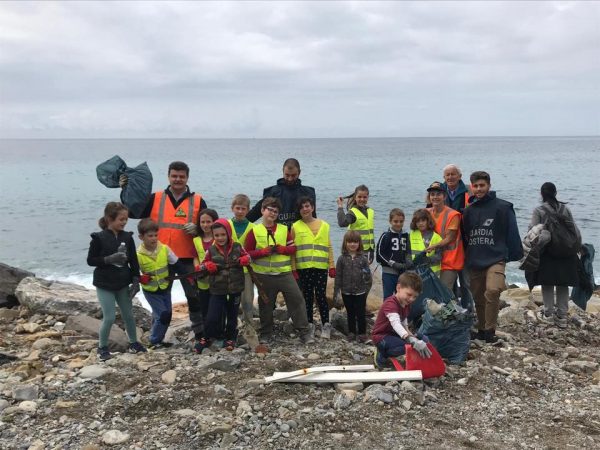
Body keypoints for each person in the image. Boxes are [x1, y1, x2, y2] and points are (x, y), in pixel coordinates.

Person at [119, 161, 207, 339]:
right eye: (174, 175)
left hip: (187, 259)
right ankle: (156, 338)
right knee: (160, 299)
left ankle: (200, 334)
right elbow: (134, 212)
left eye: (181, 176)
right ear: (168, 176)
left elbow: (208, 226)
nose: (178, 179)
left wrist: (197, 228)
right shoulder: (155, 198)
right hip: (159, 258)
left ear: (187, 178)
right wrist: (126, 189)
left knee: (194, 297)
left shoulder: (197, 200)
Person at [462, 171, 523, 343]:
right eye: (476, 186)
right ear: (471, 188)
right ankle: (482, 329)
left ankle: (490, 330)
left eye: (482, 185)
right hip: (475, 258)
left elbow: (512, 232)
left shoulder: (503, 207)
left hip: (496, 257)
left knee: (493, 290)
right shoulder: (467, 212)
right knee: (478, 297)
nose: (479, 189)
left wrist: (515, 253)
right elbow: (465, 237)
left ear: (489, 185)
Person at [244, 197, 314, 345]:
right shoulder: (254, 231)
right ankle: (266, 333)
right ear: (263, 210)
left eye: (276, 211)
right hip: (263, 276)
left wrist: (283, 249)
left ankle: (304, 332)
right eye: (270, 210)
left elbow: (293, 248)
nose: (273, 213)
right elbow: (247, 253)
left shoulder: (283, 229)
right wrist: (262, 252)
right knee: (266, 305)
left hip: (284, 274)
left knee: (297, 299)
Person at [87, 202, 147, 361]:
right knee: (110, 317)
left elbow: (133, 260)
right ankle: (102, 347)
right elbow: (91, 260)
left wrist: (136, 280)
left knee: (128, 315)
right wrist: (108, 259)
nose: (124, 222)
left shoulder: (127, 237)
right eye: (121, 219)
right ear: (109, 219)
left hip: (122, 283)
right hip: (104, 284)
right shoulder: (98, 238)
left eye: (126, 219)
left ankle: (134, 343)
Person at [528, 182, 581, 328]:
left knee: (548, 282)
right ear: (556, 193)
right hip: (567, 252)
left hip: (548, 252)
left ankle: (548, 314)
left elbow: (533, 231)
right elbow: (574, 230)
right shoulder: (565, 209)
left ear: (541, 194)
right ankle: (563, 316)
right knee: (563, 283)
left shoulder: (539, 210)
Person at [196, 219, 251, 351]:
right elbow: (200, 266)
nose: (220, 238)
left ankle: (231, 337)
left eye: (223, 234)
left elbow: (249, 257)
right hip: (217, 289)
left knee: (232, 314)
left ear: (229, 233)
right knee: (212, 316)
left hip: (235, 288)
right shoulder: (211, 250)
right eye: (217, 235)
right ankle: (207, 337)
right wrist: (206, 266)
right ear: (213, 236)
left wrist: (245, 259)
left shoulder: (238, 247)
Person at [136, 218, 189, 349]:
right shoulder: (137, 255)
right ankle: (154, 341)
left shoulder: (164, 249)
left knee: (166, 314)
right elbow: (132, 273)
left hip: (165, 288)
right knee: (163, 315)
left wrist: (189, 278)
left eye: (155, 235)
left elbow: (177, 264)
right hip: (150, 290)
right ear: (141, 237)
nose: (154, 238)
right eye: (150, 236)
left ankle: (158, 338)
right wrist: (140, 278)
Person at [291, 196, 336, 339]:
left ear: (312, 208)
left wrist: (332, 265)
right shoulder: (295, 226)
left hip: (320, 267)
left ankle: (326, 325)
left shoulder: (324, 225)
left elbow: (328, 246)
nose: (305, 209)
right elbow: (292, 249)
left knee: (321, 296)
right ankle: (309, 324)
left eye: (307, 206)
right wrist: (293, 268)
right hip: (303, 267)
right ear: (299, 210)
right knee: (307, 296)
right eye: (302, 207)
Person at [372, 272, 431, 369]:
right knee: (408, 346)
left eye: (415, 297)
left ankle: (416, 359)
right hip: (381, 336)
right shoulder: (390, 303)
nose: (411, 299)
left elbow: (403, 322)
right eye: (409, 294)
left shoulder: (405, 303)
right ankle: (382, 353)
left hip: (394, 335)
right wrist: (411, 340)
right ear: (398, 288)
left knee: (424, 339)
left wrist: (413, 336)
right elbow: (396, 324)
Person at [247, 158, 316, 228]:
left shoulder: (308, 193)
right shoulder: (272, 192)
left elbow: (313, 218)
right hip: (278, 235)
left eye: (293, 175)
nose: (290, 179)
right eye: (287, 175)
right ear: (282, 171)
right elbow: (257, 211)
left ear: (299, 173)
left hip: (301, 235)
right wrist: (240, 222)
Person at [228, 194, 258, 347]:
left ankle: (250, 330)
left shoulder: (253, 227)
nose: (240, 211)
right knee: (231, 301)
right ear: (232, 208)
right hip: (229, 270)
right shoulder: (226, 225)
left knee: (247, 301)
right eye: (237, 208)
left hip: (246, 271)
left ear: (248, 210)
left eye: (243, 209)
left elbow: (256, 249)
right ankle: (230, 330)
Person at [333, 230, 373, 343]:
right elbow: (338, 276)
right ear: (345, 243)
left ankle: (362, 334)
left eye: (355, 242)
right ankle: (351, 333)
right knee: (350, 313)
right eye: (350, 242)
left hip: (360, 292)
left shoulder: (363, 259)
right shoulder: (341, 259)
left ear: (359, 243)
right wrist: (336, 292)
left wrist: (366, 289)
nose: (352, 244)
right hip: (346, 292)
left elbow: (368, 278)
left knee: (361, 313)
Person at [425, 182, 465, 290]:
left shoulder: (453, 215)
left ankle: (456, 306)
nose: (435, 197)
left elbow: (450, 238)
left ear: (444, 196)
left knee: (444, 291)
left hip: (449, 260)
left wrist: (433, 246)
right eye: (432, 194)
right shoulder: (425, 213)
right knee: (431, 291)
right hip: (432, 259)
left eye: (438, 194)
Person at [192, 209, 219, 353]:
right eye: (202, 222)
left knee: (217, 311)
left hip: (218, 281)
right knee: (205, 310)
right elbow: (195, 256)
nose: (205, 225)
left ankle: (215, 335)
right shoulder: (196, 240)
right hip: (202, 281)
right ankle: (207, 336)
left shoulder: (219, 238)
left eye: (209, 221)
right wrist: (197, 267)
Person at [376, 208, 413, 299]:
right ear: (390, 221)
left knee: (402, 296)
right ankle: (387, 312)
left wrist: (408, 259)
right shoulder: (386, 235)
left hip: (402, 272)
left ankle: (401, 313)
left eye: (401, 221)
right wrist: (393, 263)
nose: (398, 224)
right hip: (388, 272)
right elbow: (379, 254)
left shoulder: (406, 235)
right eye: (395, 221)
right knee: (388, 296)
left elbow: (408, 250)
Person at [337, 184, 375, 264]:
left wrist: (372, 251)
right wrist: (340, 207)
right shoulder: (353, 213)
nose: (362, 199)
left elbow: (370, 234)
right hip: (355, 251)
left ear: (368, 197)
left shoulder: (370, 211)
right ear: (355, 197)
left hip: (367, 250)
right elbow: (342, 223)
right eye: (359, 197)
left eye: (364, 197)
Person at [409, 209, 443, 275]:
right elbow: (406, 254)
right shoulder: (410, 235)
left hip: (432, 274)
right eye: (418, 221)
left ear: (428, 221)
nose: (420, 223)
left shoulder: (436, 237)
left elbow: (439, 256)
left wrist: (426, 260)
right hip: (414, 272)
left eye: (423, 220)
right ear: (415, 223)